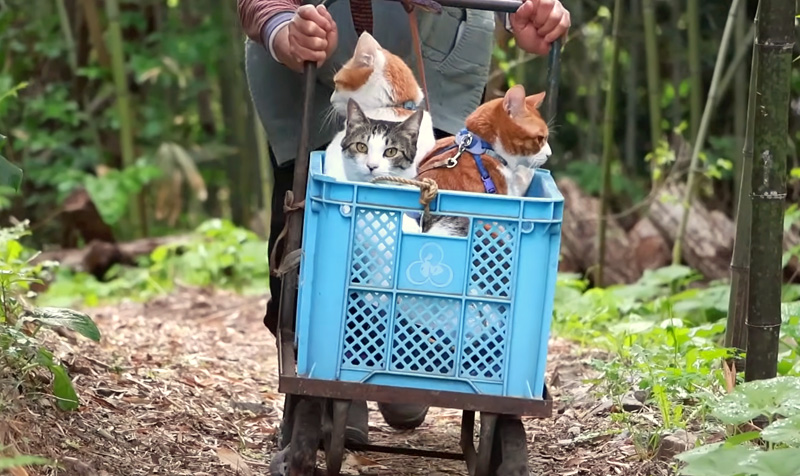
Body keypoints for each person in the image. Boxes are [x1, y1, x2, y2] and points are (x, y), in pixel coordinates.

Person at [237, 0, 570, 459]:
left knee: (441, 193)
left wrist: (523, 10)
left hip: (439, 40)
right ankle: (336, 360)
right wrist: (282, 28)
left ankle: (419, 345)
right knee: (318, 200)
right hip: (314, 41)